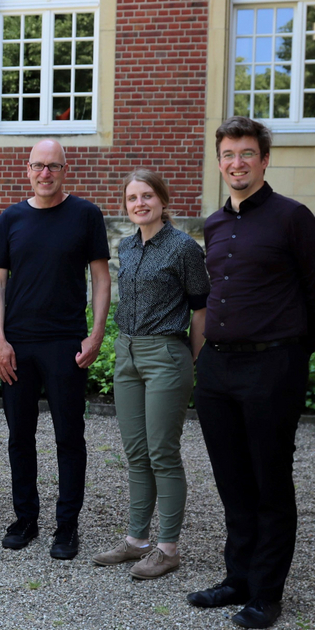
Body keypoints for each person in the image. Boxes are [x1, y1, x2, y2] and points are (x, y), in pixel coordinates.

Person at [188, 116, 315, 629]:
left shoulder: (293, 218)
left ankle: (266, 593)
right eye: (228, 154)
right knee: (232, 480)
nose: (236, 163)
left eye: (246, 153)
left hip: (272, 365)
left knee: (270, 480)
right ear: (220, 161)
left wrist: (291, 353)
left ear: (265, 159)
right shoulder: (215, 223)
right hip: (219, 367)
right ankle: (238, 579)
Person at [0, 139, 111, 560]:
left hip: (66, 343)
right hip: (18, 343)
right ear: (27, 170)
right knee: (19, 436)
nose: (45, 174)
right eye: (38, 166)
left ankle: (66, 527)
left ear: (65, 169)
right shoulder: (11, 218)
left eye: (53, 166)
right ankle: (25, 519)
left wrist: (95, 334)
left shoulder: (86, 215)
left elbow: (100, 278)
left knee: (69, 438)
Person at [91, 170, 209, 579]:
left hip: (166, 354)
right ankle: (137, 540)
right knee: (136, 453)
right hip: (127, 352)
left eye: (147, 196)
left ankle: (167, 548)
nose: (139, 204)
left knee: (163, 452)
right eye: (132, 198)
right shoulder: (127, 245)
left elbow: (200, 308)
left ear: (163, 200)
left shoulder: (183, 248)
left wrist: (190, 360)